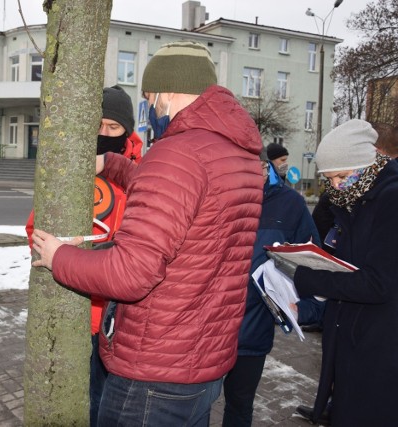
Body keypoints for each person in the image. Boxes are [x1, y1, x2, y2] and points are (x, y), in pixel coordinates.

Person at [31, 40, 264, 425]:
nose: (151, 108)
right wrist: (113, 163)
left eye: (151, 97)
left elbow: (131, 274)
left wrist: (60, 257)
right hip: (204, 363)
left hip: (154, 371)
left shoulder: (177, 153)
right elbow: (186, 203)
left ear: (168, 94)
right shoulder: (236, 154)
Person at [25, 85, 143, 426]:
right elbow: (36, 230)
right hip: (82, 315)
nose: (103, 134)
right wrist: (60, 250)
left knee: (120, 409)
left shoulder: (143, 173)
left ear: (127, 131)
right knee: (90, 405)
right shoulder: (73, 170)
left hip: (126, 318)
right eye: (99, 125)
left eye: (113, 128)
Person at [268, 119, 398, 426]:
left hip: (379, 346)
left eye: (341, 175)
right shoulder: (355, 198)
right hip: (354, 337)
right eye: (329, 179)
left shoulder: (391, 200)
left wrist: (306, 275)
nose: (337, 185)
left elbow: (378, 283)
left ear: (365, 163)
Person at [222, 148, 323, 427]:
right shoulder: (214, 193)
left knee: (239, 407)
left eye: (260, 168)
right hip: (206, 329)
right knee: (194, 407)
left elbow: (311, 259)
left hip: (252, 330)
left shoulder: (289, 204)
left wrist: (309, 308)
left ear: (267, 167)